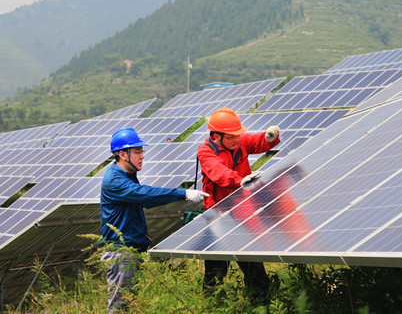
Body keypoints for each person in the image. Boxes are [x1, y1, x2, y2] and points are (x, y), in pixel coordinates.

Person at [100, 127, 208, 313]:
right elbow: (146, 196)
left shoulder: (128, 174)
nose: (142, 156)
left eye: (142, 151)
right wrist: (183, 193)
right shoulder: (114, 180)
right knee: (119, 307)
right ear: (122, 154)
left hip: (131, 250)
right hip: (120, 252)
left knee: (130, 304)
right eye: (137, 151)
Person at [197, 107, 280, 305]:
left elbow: (255, 141)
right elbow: (216, 171)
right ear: (216, 137)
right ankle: (211, 305)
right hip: (218, 214)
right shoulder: (206, 151)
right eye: (232, 137)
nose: (237, 139)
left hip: (242, 211)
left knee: (252, 264)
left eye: (238, 135)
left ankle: (259, 305)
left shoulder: (239, 142)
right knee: (216, 270)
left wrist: (268, 137)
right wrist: (238, 180)